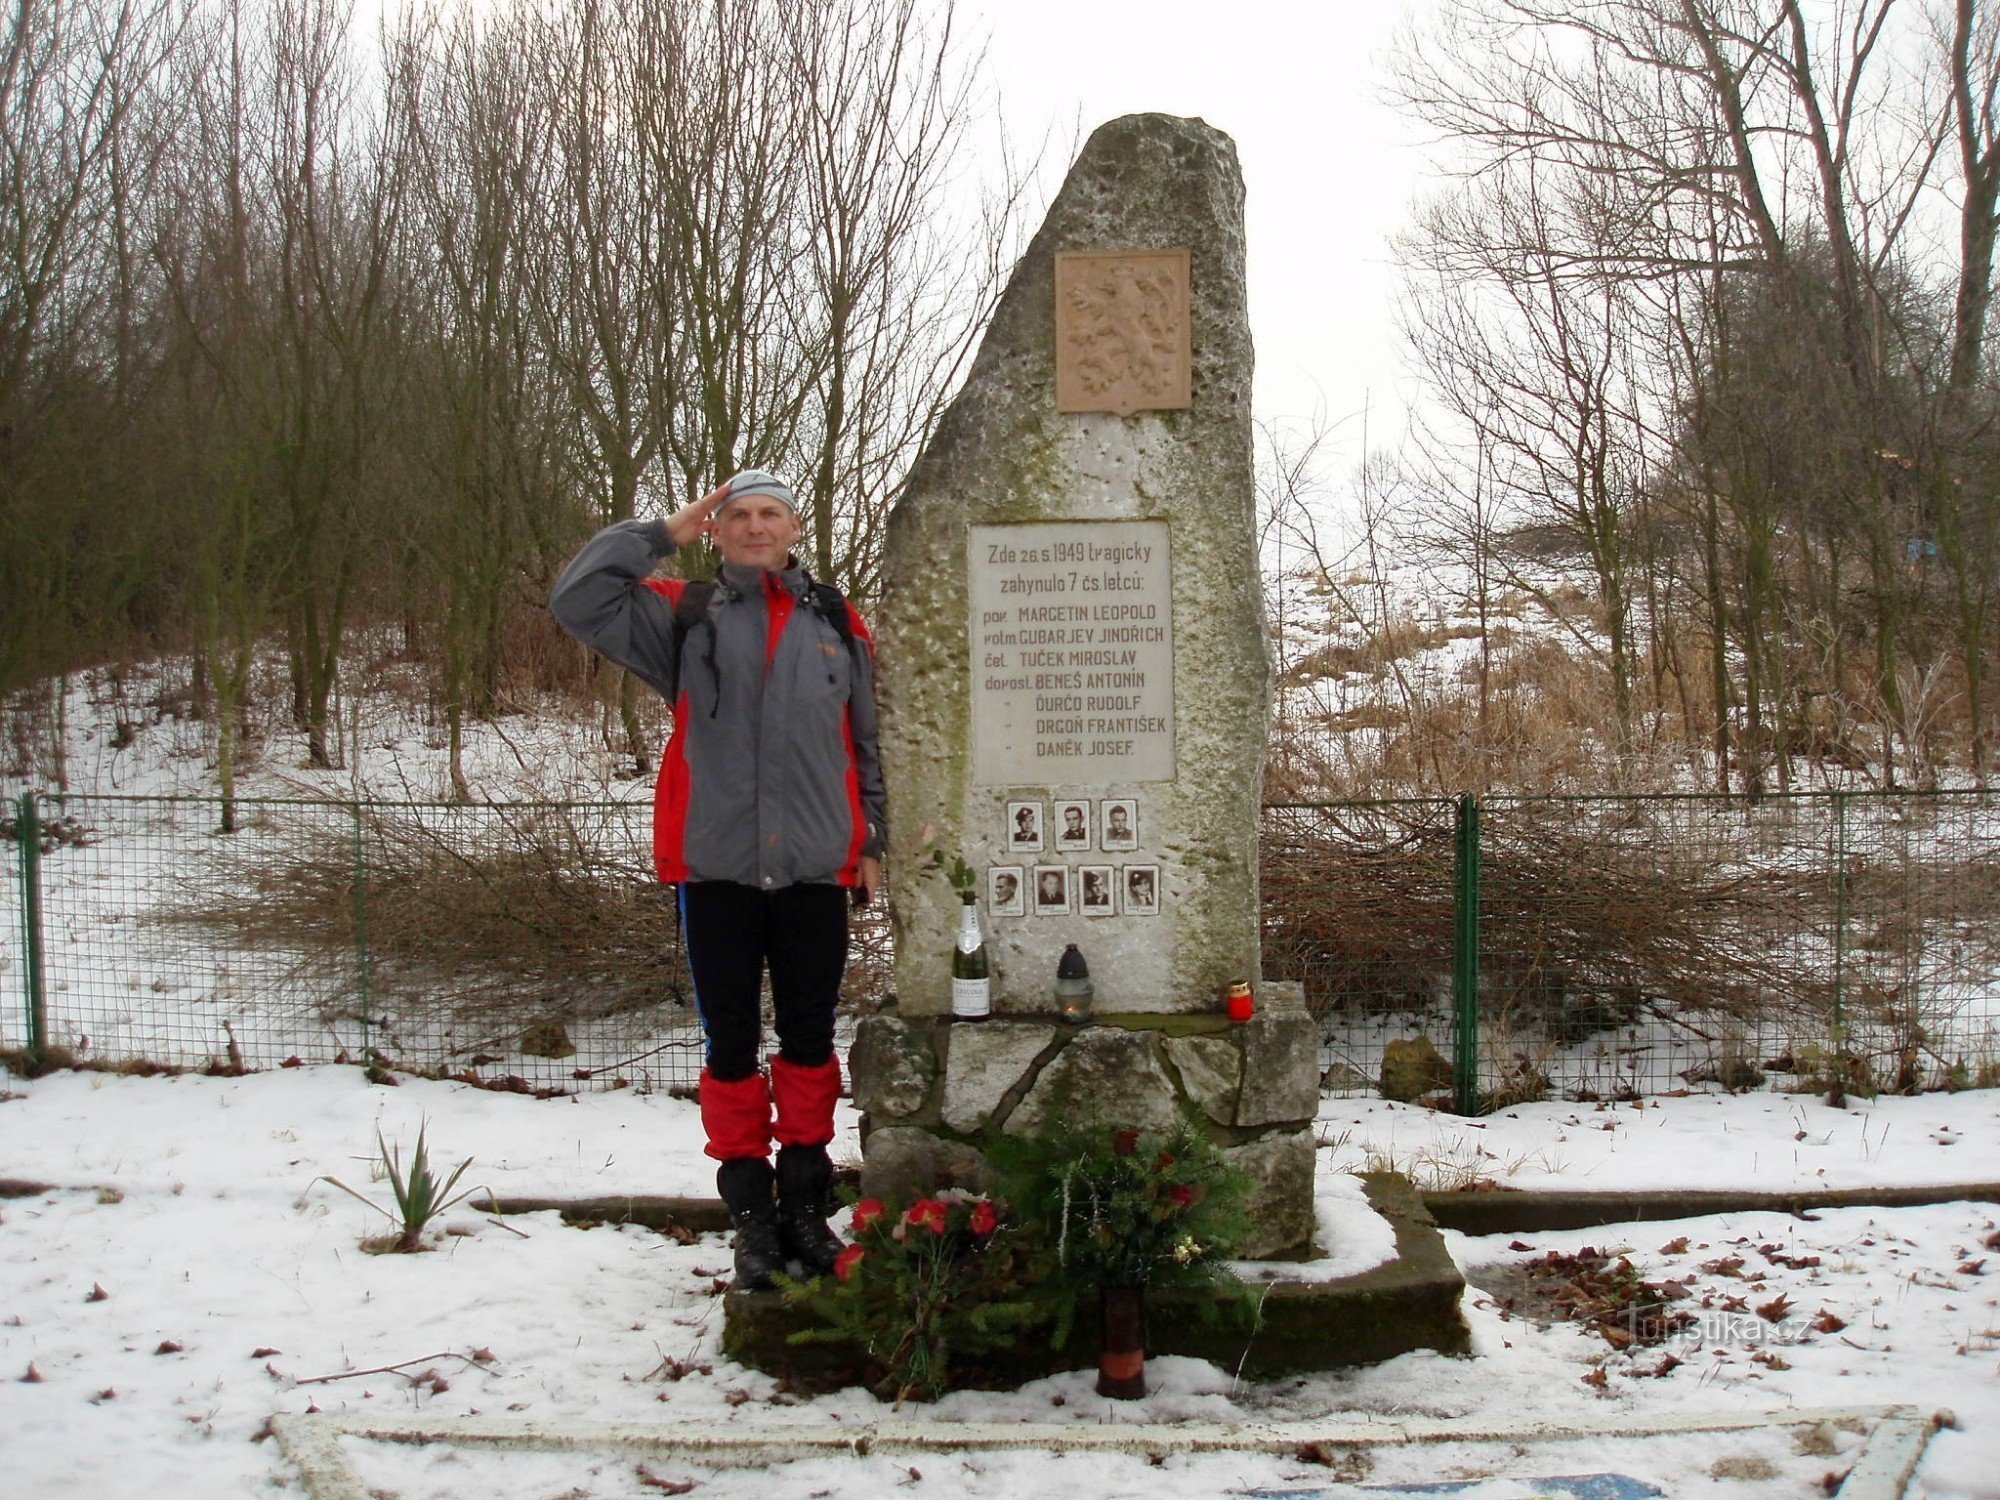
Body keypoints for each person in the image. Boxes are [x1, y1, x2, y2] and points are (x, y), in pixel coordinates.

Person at [549, 470, 884, 1290]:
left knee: (809, 1039)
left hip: (814, 868)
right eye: (739, 515)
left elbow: (869, 741)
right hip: (716, 869)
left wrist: (872, 837)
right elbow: (578, 597)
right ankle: (752, 1223)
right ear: (721, 528)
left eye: (770, 513)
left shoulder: (838, 621)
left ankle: (808, 1211)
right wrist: (663, 532)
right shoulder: (683, 614)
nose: (756, 526)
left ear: (795, 525)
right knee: (729, 1045)